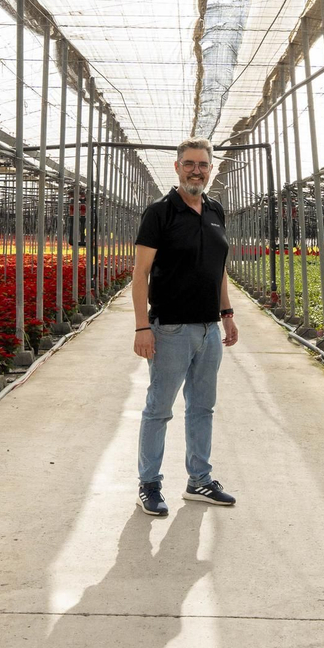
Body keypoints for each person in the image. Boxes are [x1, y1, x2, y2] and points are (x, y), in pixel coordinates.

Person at [132, 136, 238, 517]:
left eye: (203, 165)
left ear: (210, 170)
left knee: (202, 408)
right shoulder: (160, 212)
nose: (197, 170)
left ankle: (199, 481)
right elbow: (140, 274)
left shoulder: (215, 210)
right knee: (159, 409)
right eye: (190, 164)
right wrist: (142, 328)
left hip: (209, 329)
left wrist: (226, 313)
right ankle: (149, 483)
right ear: (177, 168)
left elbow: (219, 268)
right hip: (170, 329)